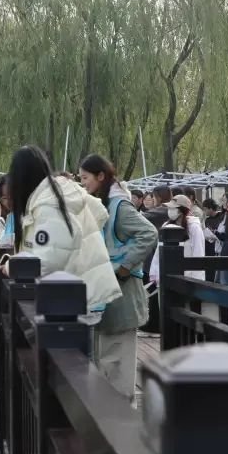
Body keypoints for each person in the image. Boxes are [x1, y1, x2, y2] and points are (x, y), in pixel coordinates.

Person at [77, 153, 157, 401]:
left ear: (101, 176)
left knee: (118, 376)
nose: (83, 184)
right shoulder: (101, 205)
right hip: (105, 299)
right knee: (105, 371)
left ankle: (121, 423)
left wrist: (123, 268)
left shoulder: (119, 207)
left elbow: (149, 233)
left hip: (121, 299)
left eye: (85, 178)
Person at [149, 194, 206, 282]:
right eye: (169, 208)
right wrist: (155, 272)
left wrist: (198, 281)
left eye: (173, 208)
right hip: (167, 274)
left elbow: (198, 253)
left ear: (182, 210)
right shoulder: (166, 225)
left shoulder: (194, 227)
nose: (169, 210)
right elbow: (158, 251)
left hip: (188, 276)